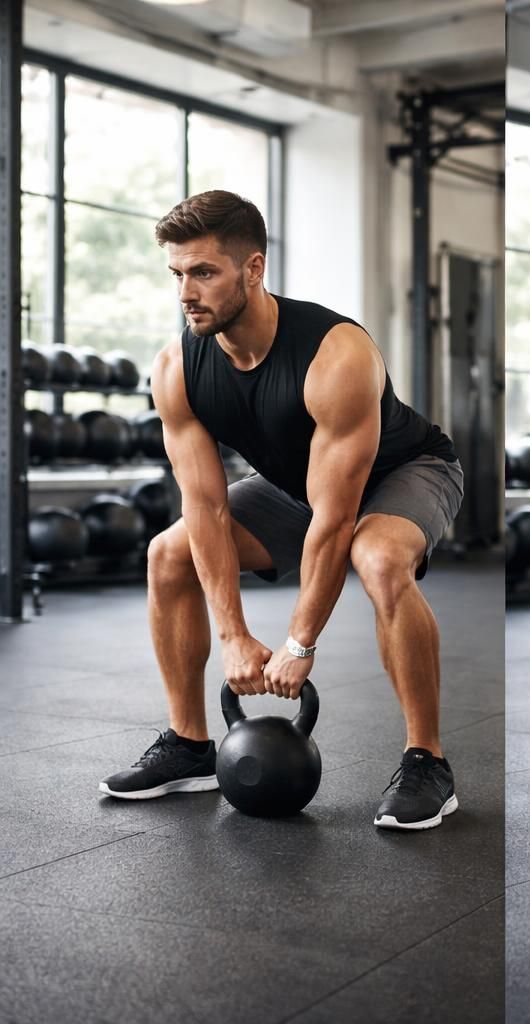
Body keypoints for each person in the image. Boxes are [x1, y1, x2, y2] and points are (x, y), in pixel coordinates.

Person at [98, 190, 465, 831]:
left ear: (254, 269)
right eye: (178, 274)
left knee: (376, 557)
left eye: (205, 272)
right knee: (169, 552)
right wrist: (234, 636)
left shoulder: (337, 355)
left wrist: (299, 642)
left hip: (405, 471)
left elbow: (335, 519)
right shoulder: (177, 368)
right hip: (293, 484)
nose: (187, 291)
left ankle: (426, 760)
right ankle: (188, 746)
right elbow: (206, 507)